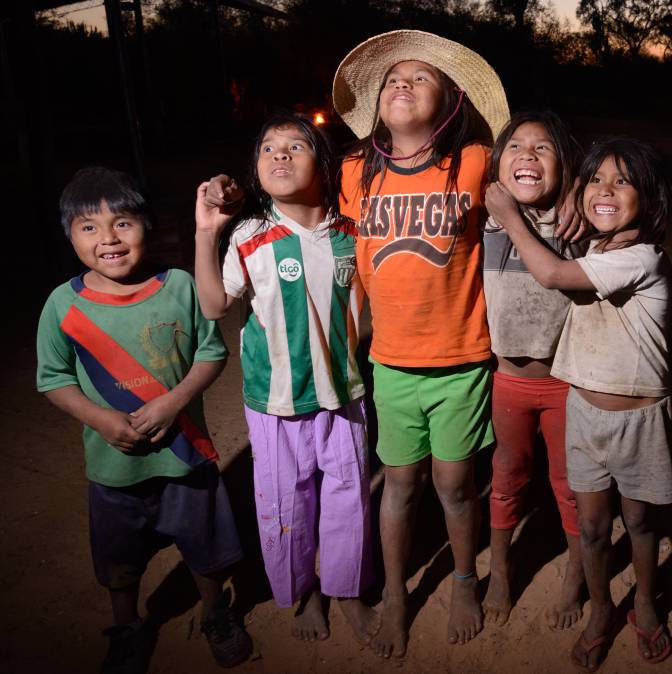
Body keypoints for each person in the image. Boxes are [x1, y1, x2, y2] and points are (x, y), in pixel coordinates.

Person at [331, 29, 509, 658]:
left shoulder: (477, 161)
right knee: (400, 484)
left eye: (421, 77)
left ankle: (464, 579)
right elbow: (337, 249)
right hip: (390, 364)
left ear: (453, 100)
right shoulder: (354, 171)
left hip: (461, 359)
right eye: (392, 79)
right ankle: (400, 596)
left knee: (456, 484)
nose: (402, 83)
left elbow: (536, 186)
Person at [36, 167, 252, 674]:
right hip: (114, 468)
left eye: (123, 223)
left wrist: (173, 402)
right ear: (69, 234)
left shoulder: (177, 284)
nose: (108, 239)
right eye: (89, 227)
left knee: (205, 548)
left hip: (187, 455)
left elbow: (211, 353)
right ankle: (127, 628)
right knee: (120, 562)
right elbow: (52, 379)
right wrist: (101, 419)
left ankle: (216, 613)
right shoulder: (63, 306)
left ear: (147, 227)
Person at [485, 137, 672, 671]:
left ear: (651, 197)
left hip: (638, 421)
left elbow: (550, 274)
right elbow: (568, 203)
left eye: (623, 181)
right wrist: (575, 193)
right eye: (596, 180)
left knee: (638, 524)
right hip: (585, 414)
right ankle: (600, 610)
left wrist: (507, 213)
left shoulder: (641, 257)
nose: (605, 191)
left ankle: (642, 604)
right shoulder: (598, 247)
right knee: (592, 528)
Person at [192, 114, 378, 644]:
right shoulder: (251, 234)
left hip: (343, 395)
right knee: (286, 505)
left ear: (323, 162)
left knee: (349, 499)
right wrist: (207, 233)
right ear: (255, 168)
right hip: (275, 404)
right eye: (268, 147)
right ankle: (304, 592)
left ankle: (345, 591)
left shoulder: (352, 231)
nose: (280, 155)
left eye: (296, 146)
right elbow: (212, 303)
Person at [478, 110, 588, 631]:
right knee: (507, 474)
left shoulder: (578, 220)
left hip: (567, 383)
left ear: (565, 165)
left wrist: (577, 189)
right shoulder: (483, 216)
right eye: (516, 147)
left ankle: (576, 575)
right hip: (509, 380)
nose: (527, 155)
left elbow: (615, 185)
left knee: (570, 483)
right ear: (497, 165)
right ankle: (499, 569)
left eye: (544, 148)